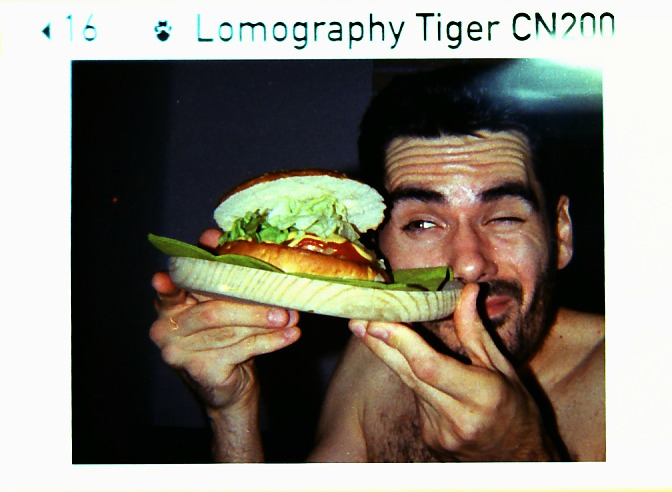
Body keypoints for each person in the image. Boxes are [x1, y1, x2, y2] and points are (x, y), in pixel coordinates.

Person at [149, 66, 605, 462]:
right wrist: (230, 411)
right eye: (422, 224)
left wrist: (525, 454)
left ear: (561, 234)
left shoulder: (630, 380)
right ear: (378, 251)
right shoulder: (377, 355)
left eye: (504, 218)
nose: (469, 265)